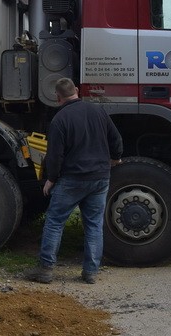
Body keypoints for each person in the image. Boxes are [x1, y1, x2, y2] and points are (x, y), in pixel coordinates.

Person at [29, 77, 123, 284]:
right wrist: (115, 158)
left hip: (72, 180)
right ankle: (90, 272)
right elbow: (115, 138)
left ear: (57, 97)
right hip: (99, 178)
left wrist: (51, 179)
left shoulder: (60, 119)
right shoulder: (98, 112)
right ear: (77, 91)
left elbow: (55, 155)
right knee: (94, 225)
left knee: (54, 222)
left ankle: (45, 270)